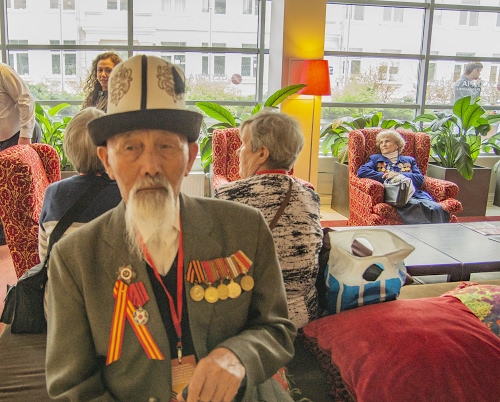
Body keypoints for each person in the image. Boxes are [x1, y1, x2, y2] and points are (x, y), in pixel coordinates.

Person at [45, 55, 295, 402]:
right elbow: (72, 388)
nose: (150, 166)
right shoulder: (75, 258)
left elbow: (277, 328)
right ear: (107, 161)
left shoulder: (244, 227)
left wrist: (238, 356)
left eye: (166, 146)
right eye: (131, 148)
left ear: (190, 156)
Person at [215, 109, 323, 329]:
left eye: (243, 145)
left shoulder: (228, 196)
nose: (238, 152)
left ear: (262, 154)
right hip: (303, 317)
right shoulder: (310, 196)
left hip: (251, 319)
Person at [38, 107, 122, 260]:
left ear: (68, 148)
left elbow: (44, 256)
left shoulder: (53, 194)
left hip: (61, 275)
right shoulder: (125, 194)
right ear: (109, 150)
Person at [357, 129, 450, 224]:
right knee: (415, 205)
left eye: (387, 141)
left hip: (415, 194)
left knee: (436, 208)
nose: (383, 144)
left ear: (397, 145)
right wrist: (386, 176)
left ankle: (436, 231)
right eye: (381, 142)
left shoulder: (408, 160)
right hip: (396, 195)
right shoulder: (376, 159)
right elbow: (362, 171)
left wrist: (400, 174)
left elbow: (419, 179)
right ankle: (422, 231)